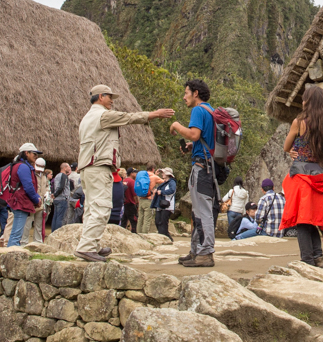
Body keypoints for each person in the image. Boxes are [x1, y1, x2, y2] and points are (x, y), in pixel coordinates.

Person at [74, 84, 174, 263]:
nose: (112, 100)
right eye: (109, 96)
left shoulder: (87, 118)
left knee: (91, 207)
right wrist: (155, 114)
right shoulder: (103, 115)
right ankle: (87, 247)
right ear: (100, 96)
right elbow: (128, 118)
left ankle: (91, 244)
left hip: (88, 167)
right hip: (98, 167)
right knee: (102, 207)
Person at [281, 84, 323, 267]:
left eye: (304, 99)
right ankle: (318, 258)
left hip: (302, 177)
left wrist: (291, 151)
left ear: (308, 102)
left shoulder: (299, 123)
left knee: (302, 220)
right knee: (313, 218)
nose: (302, 102)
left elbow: (286, 146)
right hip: (320, 175)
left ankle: (307, 261)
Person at [168, 78, 218, 268]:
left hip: (202, 168)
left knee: (203, 211)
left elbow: (193, 134)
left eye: (186, 92)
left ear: (195, 93)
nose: (184, 97)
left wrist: (175, 125)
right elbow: (201, 139)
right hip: (209, 166)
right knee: (198, 211)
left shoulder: (198, 110)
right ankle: (196, 251)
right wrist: (193, 145)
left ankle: (205, 253)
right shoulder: (211, 111)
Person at [3, 143, 43, 247]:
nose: (36, 156)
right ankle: (12, 254)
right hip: (21, 202)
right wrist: (36, 199)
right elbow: (28, 187)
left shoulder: (18, 165)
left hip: (18, 201)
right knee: (17, 234)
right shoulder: (23, 167)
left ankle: (10, 252)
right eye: (34, 153)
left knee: (16, 232)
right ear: (26, 153)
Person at [150, 167, 178, 241]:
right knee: (158, 221)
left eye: (163, 173)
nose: (162, 174)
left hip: (167, 205)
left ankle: (166, 238)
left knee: (163, 223)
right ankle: (164, 237)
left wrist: (162, 192)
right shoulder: (164, 183)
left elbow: (172, 190)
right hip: (161, 205)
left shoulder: (172, 182)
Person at [50, 162, 73, 231]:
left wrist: (54, 194)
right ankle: (57, 232)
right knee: (61, 218)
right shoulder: (64, 176)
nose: (69, 168)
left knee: (55, 217)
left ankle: (53, 231)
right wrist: (56, 194)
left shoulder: (57, 176)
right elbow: (62, 187)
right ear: (64, 168)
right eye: (68, 167)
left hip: (57, 199)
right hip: (62, 198)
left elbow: (54, 186)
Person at [121, 166, 140, 233]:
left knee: (124, 220)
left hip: (124, 203)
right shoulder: (132, 182)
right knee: (134, 220)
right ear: (131, 173)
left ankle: (122, 232)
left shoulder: (123, 181)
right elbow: (134, 195)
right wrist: (137, 203)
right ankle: (134, 233)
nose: (136, 174)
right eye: (135, 173)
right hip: (131, 203)